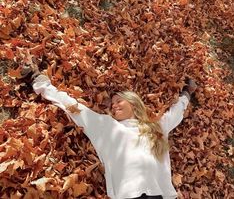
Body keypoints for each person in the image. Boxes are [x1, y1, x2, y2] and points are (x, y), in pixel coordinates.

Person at [28, 64, 197, 199]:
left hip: (161, 194)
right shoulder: (107, 126)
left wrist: (187, 94)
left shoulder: (156, 128)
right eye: (111, 104)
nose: (113, 106)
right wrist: (40, 81)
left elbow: (175, 114)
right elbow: (74, 108)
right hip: (129, 195)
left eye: (119, 101)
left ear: (134, 103)